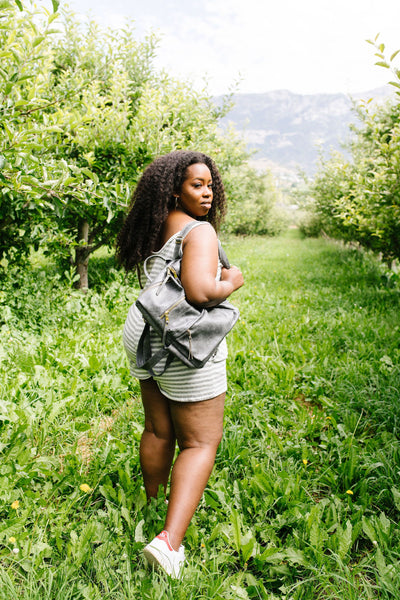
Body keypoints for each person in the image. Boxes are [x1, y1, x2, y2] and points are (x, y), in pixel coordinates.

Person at [116, 150, 244, 578]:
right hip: (181, 339)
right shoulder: (200, 231)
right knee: (199, 442)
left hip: (145, 327)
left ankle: (150, 504)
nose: (207, 193)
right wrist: (232, 280)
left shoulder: (162, 220)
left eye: (210, 185)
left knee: (158, 427)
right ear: (176, 189)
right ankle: (168, 543)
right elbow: (199, 292)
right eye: (196, 185)